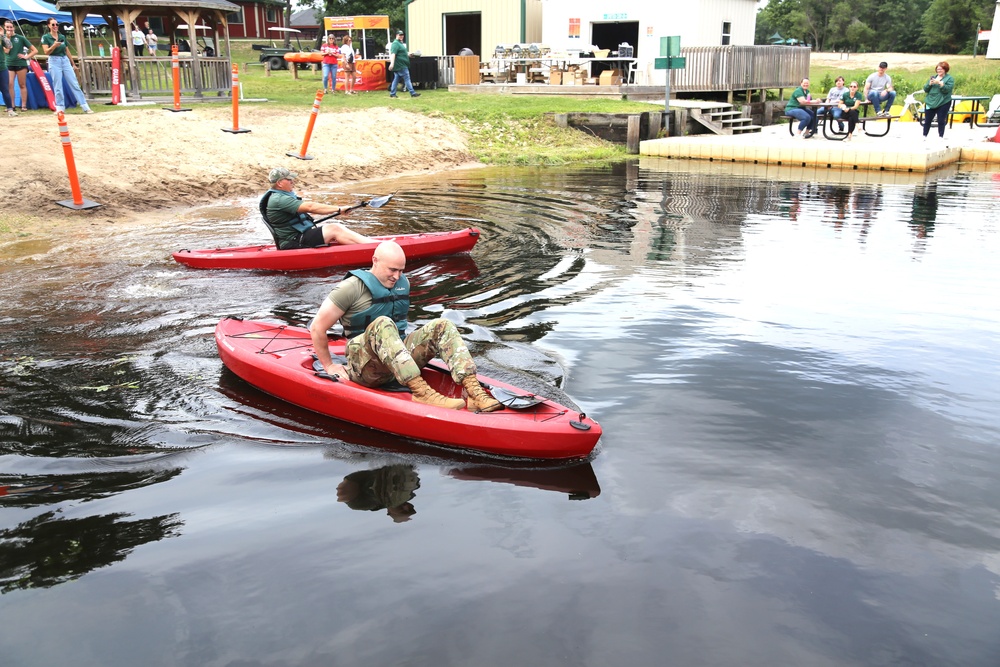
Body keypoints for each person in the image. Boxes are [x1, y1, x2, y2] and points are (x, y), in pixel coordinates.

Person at [309, 240, 503, 412]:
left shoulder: (403, 283)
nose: (397, 276)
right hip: (364, 366)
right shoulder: (350, 287)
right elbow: (317, 327)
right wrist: (329, 365)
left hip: (396, 361)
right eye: (392, 270)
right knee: (383, 323)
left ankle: (475, 392)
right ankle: (421, 392)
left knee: (442, 325)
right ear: (375, 260)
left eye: (401, 270)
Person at [261, 167, 371, 250]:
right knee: (334, 228)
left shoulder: (280, 196)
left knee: (336, 231)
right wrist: (339, 209)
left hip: (296, 237)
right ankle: (375, 247)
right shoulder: (279, 199)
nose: (292, 181)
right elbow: (310, 207)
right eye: (289, 179)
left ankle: (370, 244)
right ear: (280, 183)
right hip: (292, 242)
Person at [40, 18, 94, 114]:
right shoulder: (46, 37)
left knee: (74, 83)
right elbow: (46, 51)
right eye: (53, 25)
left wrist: (73, 63)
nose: (55, 26)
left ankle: (85, 106)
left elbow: (66, 50)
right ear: (48, 26)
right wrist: (54, 46)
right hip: (54, 60)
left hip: (64, 60)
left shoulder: (62, 36)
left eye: (57, 24)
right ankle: (60, 108)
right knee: (58, 85)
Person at [337, 465, 420, 523]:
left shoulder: (361, 504)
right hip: (389, 467)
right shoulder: (412, 490)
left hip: (371, 477)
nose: (406, 507)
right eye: (410, 508)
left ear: (389, 512)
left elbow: (344, 491)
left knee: (344, 493)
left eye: (403, 511)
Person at [5, 19, 37, 113]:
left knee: (22, 84)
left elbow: (34, 50)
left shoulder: (20, 38)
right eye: (7, 27)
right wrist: (7, 38)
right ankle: (12, 105)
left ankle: (23, 105)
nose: (9, 29)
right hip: (9, 63)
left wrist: (26, 57)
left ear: (13, 27)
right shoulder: (3, 39)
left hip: (20, 64)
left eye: (11, 27)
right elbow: (6, 51)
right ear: (4, 28)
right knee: (9, 84)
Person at [921, 61, 954, 141]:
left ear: (945, 70)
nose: (939, 71)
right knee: (927, 119)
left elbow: (947, 90)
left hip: (943, 102)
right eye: (938, 69)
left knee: (941, 120)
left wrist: (941, 84)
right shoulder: (933, 77)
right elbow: (925, 89)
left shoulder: (949, 78)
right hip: (930, 101)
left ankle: (940, 136)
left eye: (941, 69)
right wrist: (930, 84)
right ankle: (924, 135)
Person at [388, 29, 419, 98]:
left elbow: (402, 54)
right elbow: (393, 54)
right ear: (396, 35)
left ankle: (392, 93)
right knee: (407, 78)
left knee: (396, 79)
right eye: (400, 35)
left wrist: (409, 55)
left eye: (402, 35)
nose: (401, 36)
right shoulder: (395, 43)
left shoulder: (400, 43)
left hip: (401, 65)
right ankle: (412, 93)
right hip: (400, 65)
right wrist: (392, 63)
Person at [1, 26, 14, 117]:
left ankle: (10, 109)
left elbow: (10, 46)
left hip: (2, 67)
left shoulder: (1, 38)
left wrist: (2, 35)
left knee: (5, 89)